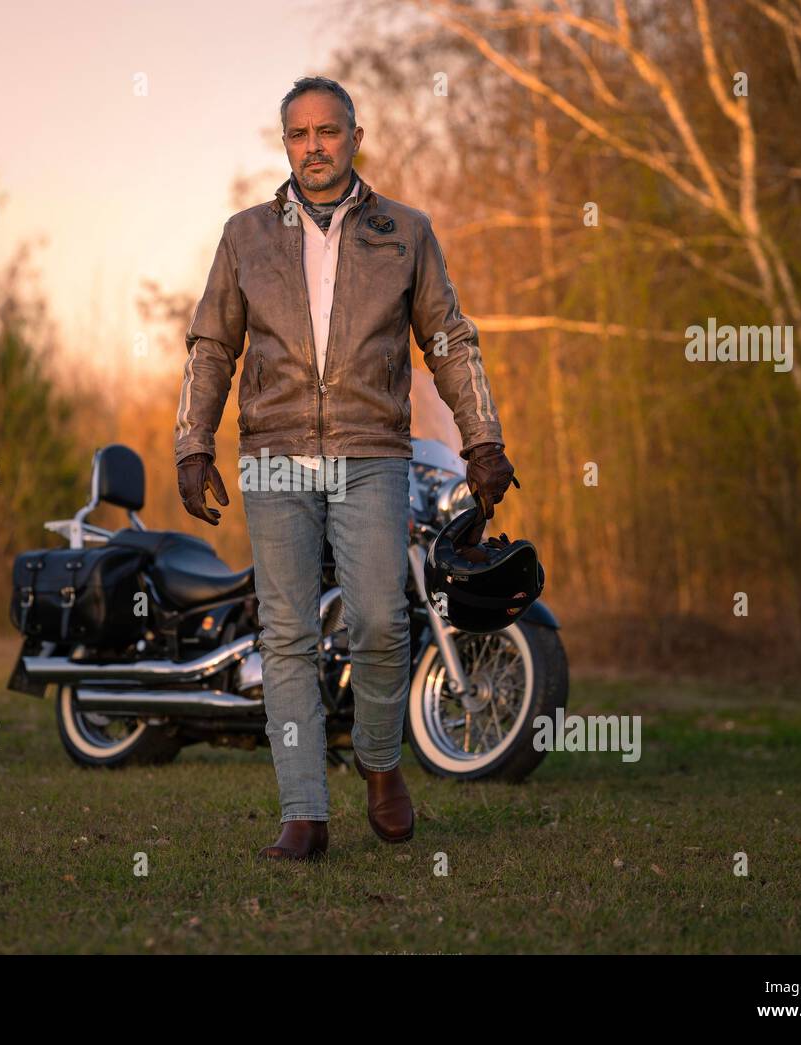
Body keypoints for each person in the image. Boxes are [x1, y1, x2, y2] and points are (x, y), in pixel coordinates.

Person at [174, 76, 518, 861]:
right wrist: (193, 444)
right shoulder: (245, 236)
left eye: (329, 131)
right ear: (285, 144)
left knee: (379, 619)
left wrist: (484, 440)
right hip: (274, 456)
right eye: (300, 134)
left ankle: (379, 760)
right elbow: (212, 345)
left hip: (371, 452)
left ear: (355, 137)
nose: (315, 146)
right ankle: (304, 813)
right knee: (288, 634)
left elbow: (451, 340)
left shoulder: (406, 232)